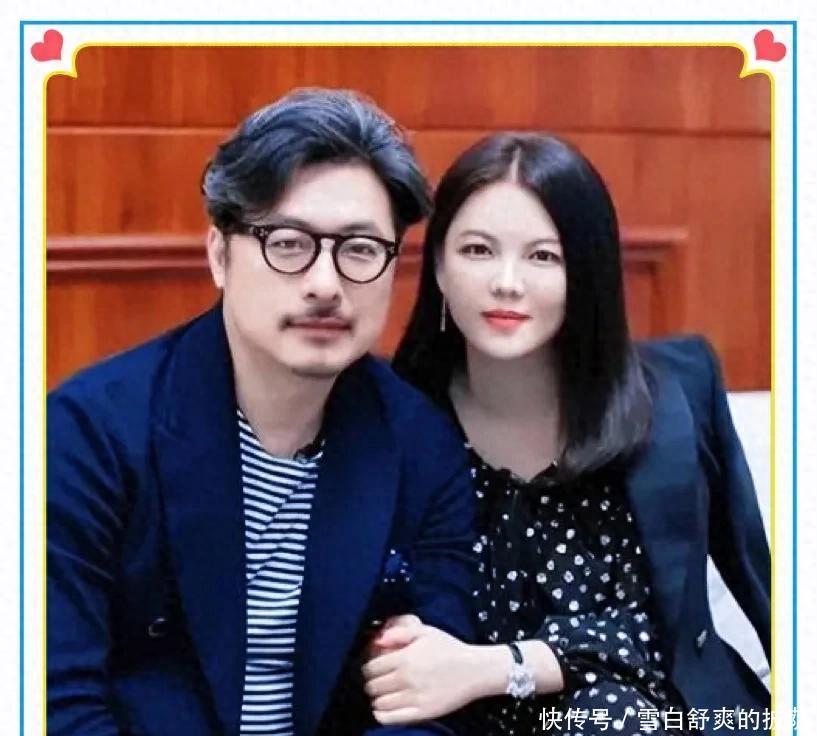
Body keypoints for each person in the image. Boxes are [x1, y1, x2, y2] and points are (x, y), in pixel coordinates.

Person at [47, 88, 477, 736]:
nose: (325, 284)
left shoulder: (421, 445)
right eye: (288, 243)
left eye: (360, 249)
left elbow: (431, 707)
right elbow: (55, 702)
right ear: (219, 255)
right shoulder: (87, 435)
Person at [365, 132, 771, 735]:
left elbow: (675, 616)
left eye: (543, 257)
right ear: (440, 269)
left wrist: (499, 667)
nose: (507, 281)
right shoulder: (391, 420)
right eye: (477, 250)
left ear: (587, 272)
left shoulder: (673, 393)